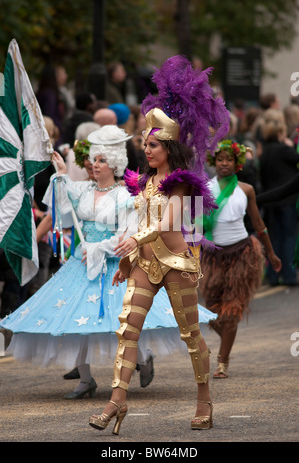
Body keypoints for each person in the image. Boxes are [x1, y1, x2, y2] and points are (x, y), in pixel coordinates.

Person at [0, 124, 217, 398]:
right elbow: (61, 212)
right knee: (72, 320)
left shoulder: (126, 195)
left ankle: (141, 360)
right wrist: (62, 176)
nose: (95, 164)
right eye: (94, 159)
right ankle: (86, 379)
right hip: (82, 263)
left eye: (102, 160)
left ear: (114, 163)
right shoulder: (82, 190)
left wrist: (102, 247)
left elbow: (130, 232)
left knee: (122, 321)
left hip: (115, 263)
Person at [89, 55, 230, 434]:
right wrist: (128, 257)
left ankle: (205, 400)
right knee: (127, 330)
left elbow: (169, 221)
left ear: (169, 147)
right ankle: (116, 402)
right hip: (144, 264)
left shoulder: (182, 183)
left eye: (153, 145)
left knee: (190, 334)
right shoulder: (145, 182)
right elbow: (143, 219)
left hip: (176, 264)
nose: (147, 150)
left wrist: (136, 236)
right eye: (144, 144)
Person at [199, 139, 282, 379]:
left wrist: (272, 254)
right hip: (212, 256)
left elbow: (259, 225)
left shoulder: (246, 190)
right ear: (214, 162)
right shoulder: (203, 187)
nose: (224, 163)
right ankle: (225, 334)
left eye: (229, 160)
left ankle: (222, 362)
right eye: (221, 159)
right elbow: (192, 222)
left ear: (237, 164)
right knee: (212, 311)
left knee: (232, 313)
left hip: (242, 255)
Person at [259, 110, 299, 286]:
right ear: (280, 133)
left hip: (271, 200)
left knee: (273, 238)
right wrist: (290, 146)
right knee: (289, 237)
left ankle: (273, 275)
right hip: (287, 201)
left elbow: (263, 177)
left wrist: (257, 199)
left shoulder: (266, 151)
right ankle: (289, 275)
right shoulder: (284, 149)